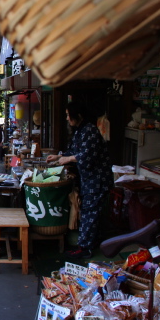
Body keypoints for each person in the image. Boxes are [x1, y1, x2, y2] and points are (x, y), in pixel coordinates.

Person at [46, 101, 113, 260]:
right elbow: (74, 151)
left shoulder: (89, 130)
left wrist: (68, 158)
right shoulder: (80, 131)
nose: (68, 118)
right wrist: (60, 156)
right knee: (91, 212)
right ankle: (92, 242)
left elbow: (87, 156)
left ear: (79, 115)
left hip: (97, 180)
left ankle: (85, 248)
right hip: (89, 179)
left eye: (69, 115)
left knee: (90, 212)